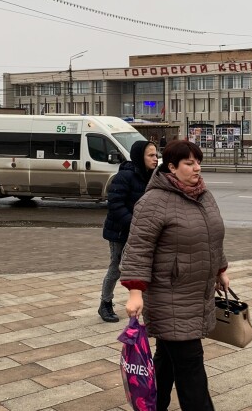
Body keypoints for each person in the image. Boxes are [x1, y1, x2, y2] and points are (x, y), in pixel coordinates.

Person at [121, 140, 229, 411]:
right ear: (171, 167)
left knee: (167, 360)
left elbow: (212, 237)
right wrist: (135, 291)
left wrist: (220, 270)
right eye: (189, 163)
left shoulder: (203, 195)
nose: (197, 168)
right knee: (191, 369)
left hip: (197, 293)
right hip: (169, 297)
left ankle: (153, 406)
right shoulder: (154, 202)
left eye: (198, 162)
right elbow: (138, 249)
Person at [98, 140, 159, 323]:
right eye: (151, 155)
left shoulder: (153, 176)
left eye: (156, 155)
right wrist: (134, 224)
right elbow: (115, 205)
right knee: (116, 268)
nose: (155, 158)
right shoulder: (124, 176)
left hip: (143, 232)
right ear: (140, 157)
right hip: (120, 231)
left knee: (147, 266)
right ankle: (105, 303)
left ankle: (146, 302)